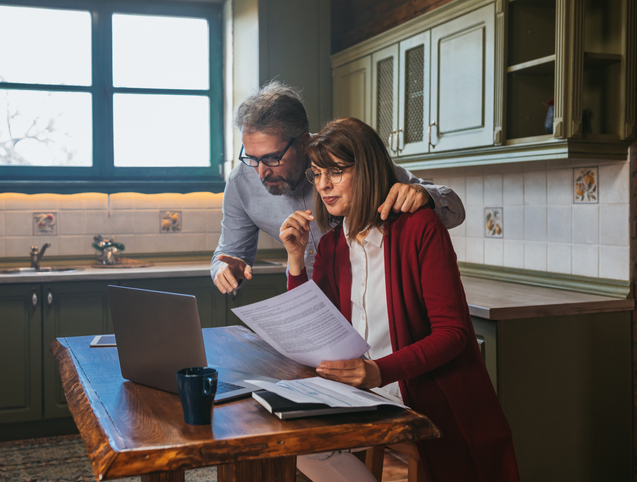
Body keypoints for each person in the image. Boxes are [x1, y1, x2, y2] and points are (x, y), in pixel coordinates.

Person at [279, 117, 520, 482]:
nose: (324, 185)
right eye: (317, 173)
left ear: (369, 169)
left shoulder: (419, 228)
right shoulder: (330, 245)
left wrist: (379, 371)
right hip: (363, 392)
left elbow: (453, 333)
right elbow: (315, 331)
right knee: (287, 439)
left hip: (420, 392)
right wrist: (295, 261)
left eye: (336, 171)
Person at [211, 81, 465, 294]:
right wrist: (224, 270)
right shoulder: (240, 182)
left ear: (302, 143)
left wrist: (424, 196)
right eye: (251, 158)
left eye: (271, 158)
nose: (260, 171)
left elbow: (455, 210)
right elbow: (229, 252)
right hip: (312, 299)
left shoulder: (350, 162)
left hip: (373, 294)